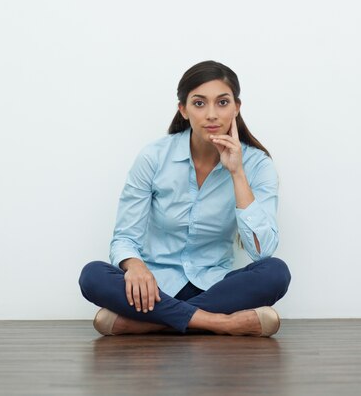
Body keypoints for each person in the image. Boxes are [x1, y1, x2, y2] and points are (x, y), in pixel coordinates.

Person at [79, 60, 291, 337]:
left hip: (214, 284)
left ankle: (150, 323)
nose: (212, 114)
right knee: (92, 275)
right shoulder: (154, 157)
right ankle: (220, 323)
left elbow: (262, 252)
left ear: (237, 108)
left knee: (275, 273)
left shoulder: (257, 165)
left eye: (223, 103)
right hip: (154, 287)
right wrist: (136, 266)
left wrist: (237, 173)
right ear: (184, 109)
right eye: (200, 103)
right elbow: (124, 238)